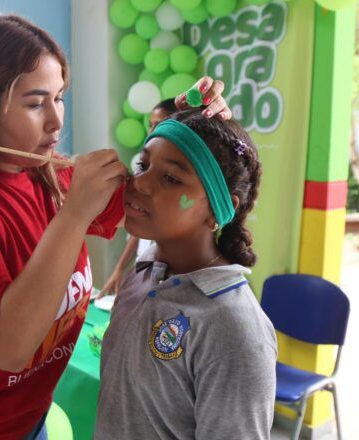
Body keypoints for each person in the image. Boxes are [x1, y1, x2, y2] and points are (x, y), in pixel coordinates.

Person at [0, 13, 231, 440]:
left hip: (28, 420)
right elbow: (8, 350)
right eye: (35, 103)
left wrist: (196, 133)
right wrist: (72, 216)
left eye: (59, 97)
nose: (56, 121)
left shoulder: (49, 174)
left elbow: (155, 205)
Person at [94, 110, 277, 439]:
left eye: (171, 179)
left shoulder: (234, 330)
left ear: (218, 210)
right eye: (143, 166)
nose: (140, 184)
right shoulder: (142, 275)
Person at [100, 98, 178, 297]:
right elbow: (139, 223)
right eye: (150, 125)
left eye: (160, 125)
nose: (152, 132)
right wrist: (119, 269)